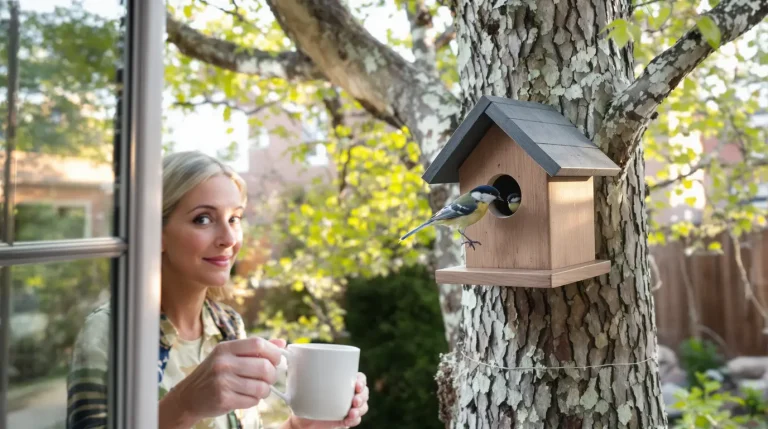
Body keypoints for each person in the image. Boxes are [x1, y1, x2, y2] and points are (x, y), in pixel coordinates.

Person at [67, 151, 369, 429]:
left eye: (234, 218)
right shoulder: (111, 332)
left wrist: (301, 426)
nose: (228, 238)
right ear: (155, 233)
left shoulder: (228, 325)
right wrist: (184, 405)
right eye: (203, 219)